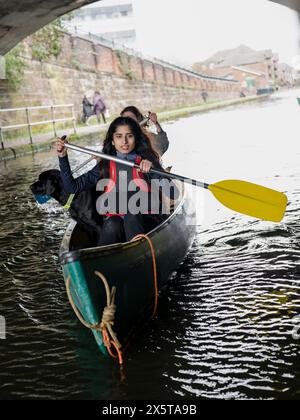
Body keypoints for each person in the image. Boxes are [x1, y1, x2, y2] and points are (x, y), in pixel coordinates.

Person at [54, 117, 178, 246]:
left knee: (132, 216)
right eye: (119, 136)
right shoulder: (105, 165)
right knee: (113, 222)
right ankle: (103, 259)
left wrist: (153, 171)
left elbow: (173, 193)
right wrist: (63, 157)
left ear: (136, 138)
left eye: (129, 136)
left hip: (147, 222)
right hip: (118, 223)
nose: (124, 141)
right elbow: (72, 188)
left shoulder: (146, 162)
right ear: (112, 141)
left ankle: (137, 253)